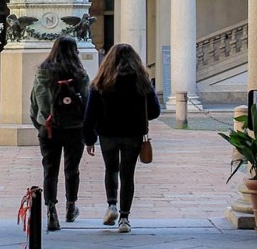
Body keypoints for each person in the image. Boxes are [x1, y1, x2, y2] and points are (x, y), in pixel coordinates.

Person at [83, 43, 160, 233]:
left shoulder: (101, 82)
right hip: (133, 133)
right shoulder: (142, 81)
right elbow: (154, 111)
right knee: (128, 174)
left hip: (107, 133)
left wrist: (89, 139)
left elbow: (90, 114)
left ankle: (112, 206)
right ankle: (125, 218)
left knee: (111, 170)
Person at [30, 35, 89, 231]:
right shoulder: (79, 74)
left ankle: (50, 209)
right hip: (74, 128)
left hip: (49, 129)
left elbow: (34, 103)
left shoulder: (42, 73)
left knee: (50, 170)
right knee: (72, 169)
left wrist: (40, 124)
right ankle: (71, 207)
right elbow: (87, 104)